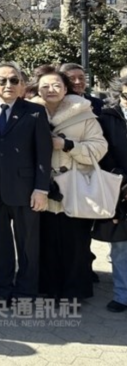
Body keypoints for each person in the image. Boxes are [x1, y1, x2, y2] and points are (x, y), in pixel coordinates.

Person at [29, 65, 107, 301]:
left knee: (75, 243)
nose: (51, 89)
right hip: (40, 187)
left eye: (56, 85)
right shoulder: (29, 112)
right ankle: (47, 288)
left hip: (74, 185)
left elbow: (99, 147)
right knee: (44, 241)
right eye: (45, 86)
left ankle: (75, 292)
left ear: (65, 89)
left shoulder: (84, 113)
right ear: (37, 89)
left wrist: (67, 145)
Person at [0, 62, 52, 302]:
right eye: (2, 81)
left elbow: (44, 153)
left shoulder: (34, 112)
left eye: (14, 80)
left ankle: (25, 291)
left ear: (22, 85)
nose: (8, 85)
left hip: (26, 190)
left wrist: (41, 189)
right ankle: (2, 289)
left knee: (28, 246)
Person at [92, 76, 127, 312]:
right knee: (121, 245)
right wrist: (121, 179)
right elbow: (102, 153)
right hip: (119, 188)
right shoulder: (107, 118)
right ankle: (122, 295)